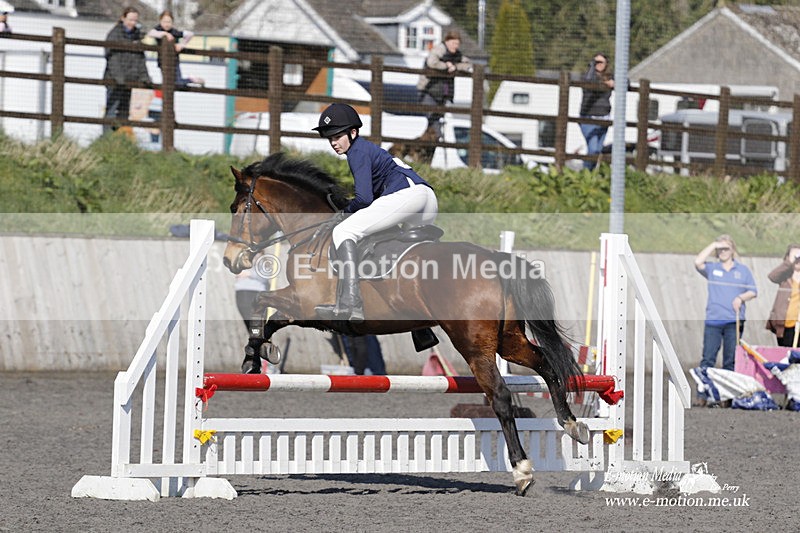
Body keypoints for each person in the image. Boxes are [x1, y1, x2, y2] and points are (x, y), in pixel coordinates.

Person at [311, 103, 438, 322]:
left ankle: (351, 302)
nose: (333, 143)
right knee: (394, 248)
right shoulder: (368, 149)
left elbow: (363, 199)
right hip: (426, 200)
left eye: (337, 136)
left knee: (343, 232)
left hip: (408, 197)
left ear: (353, 133)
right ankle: (421, 327)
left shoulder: (357, 152)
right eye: (329, 138)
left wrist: (343, 213)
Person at [694, 235, 757, 371]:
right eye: (720, 249)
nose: (723, 252)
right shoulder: (712, 268)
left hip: (733, 321)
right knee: (708, 358)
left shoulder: (743, 270)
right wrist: (714, 245)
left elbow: (753, 291)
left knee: (731, 360)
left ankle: (728, 390)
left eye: (726, 248)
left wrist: (740, 298)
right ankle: (704, 389)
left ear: (732, 250)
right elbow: (698, 262)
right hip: (714, 320)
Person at [103, 7, 151, 134]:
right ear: (123, 18)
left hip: (129, 80)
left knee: (124, 111)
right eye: (130, 19)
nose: (132, 23)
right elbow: (112, 58)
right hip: (114, 80)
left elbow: (140, 59)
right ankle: (107, 139)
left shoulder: (137, 36)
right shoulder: (114, 35)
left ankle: (118, 138)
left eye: (135, 20)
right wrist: (119, 78)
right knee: (112, 110)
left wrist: (144, 77)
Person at [416, 30, 472, 135]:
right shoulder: (438, 50)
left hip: (442, 94)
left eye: (457, 44)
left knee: (434, 124)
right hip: (428, 91)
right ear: (447, 41)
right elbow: (431, 62)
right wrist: (446, 66)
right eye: (454, 43)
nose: (455, 46)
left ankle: (429, 147)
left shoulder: (456, 55)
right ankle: (431, 142)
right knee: (434, 123)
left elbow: (468, 64)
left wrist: (455, 66)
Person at [147, 10, 204, 88]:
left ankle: (192, 79)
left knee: (178, 83)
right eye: (164, 21)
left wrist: (181, 44)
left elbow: (190, 34)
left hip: (174, 61)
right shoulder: (158, 29)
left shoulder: (174, 32)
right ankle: (192, 80)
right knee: (167, 84)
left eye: (169, 22)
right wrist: (165, 34)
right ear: (160, 21)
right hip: (162, 61)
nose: (167, 24)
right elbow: (151, 33)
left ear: (172, 22)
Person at [578, 53, 614, 170]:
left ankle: (590, 176)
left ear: (606, 64)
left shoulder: (609, 76)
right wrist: (592, 67)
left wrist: (614, 83)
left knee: (597, 151)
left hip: (604, 118)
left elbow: (626, 81)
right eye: (595, 62)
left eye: (600, 62)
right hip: (589, 117)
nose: (598, 65)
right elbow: (589, 82)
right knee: (593, 149)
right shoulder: (587, 76)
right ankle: (585, 174)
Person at [766, 243, 800, 347]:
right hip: (784, 325)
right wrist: (790, 261)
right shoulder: (785, 276)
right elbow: (772, 276)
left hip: (798, 323)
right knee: (786, 354)